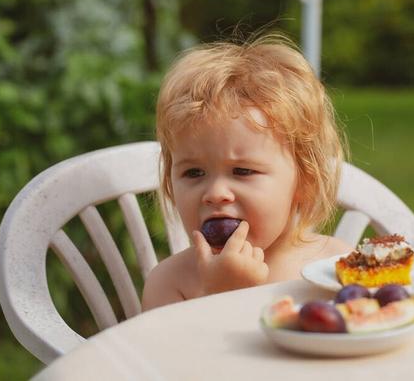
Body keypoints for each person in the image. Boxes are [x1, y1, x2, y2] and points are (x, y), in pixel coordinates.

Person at [141, 33, 352, 310]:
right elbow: (165, 354)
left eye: (242, 171)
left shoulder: (336, 265)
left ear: (306, 179)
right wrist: (218, 296)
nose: (215, 194)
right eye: (193, 173)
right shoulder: (170, 283)